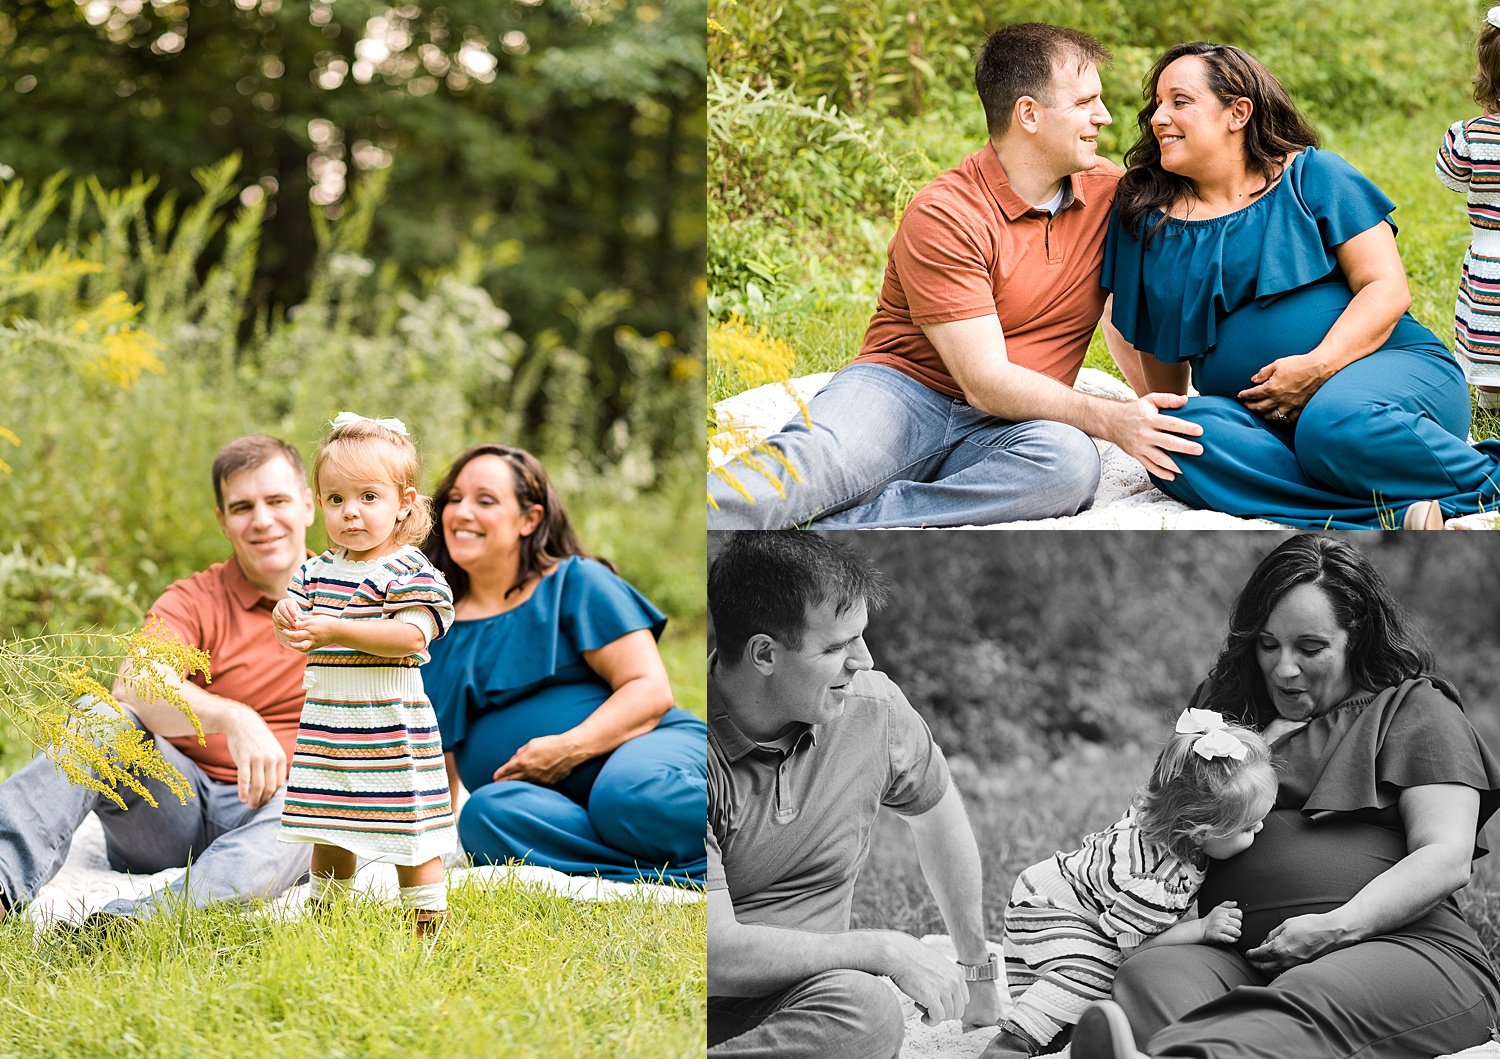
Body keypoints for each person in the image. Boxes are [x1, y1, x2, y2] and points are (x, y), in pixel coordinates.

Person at [707, 23, 1203, 530]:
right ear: (1028, 114)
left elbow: (1128, 314)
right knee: (790, 477)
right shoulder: (946, 213)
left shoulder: (1109, 195)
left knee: (1069, 464)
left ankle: (838, 531)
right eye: (1085, 102)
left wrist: (1160, 411)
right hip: (903, 393)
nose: (1105, 116)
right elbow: (984, 382)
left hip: (1016, 426)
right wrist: (1112, 419)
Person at [1064, 534, 1500, 1059]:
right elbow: (1159, 828)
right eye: (1268, 644)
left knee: (1312, 996)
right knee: (1151, 975)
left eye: (1310, 648)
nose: (1283, 668)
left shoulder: (1415, 711)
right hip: (1232, 954)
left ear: (1355, 636)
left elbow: (1445, 857)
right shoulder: (1222, 716)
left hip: (1399, 948)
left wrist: (1336, 928)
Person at [1103, 41, 1500, 530]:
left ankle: (1488, 477)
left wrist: (1318, 366)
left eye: (1179, 101)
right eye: (1157, 104)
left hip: (1382, 378)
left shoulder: (1313, 177)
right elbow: (1162, 348)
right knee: (1170, 442)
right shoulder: (1149, 220)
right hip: (1261, 421)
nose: (1159, 117)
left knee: (1332, 424)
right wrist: (1169, 416)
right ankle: (1401, 515)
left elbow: (1387, 288)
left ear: (1238, 113)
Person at [707, 532, 1002, 1058]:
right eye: (837, 646)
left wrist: (976, 971)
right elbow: (711, 953)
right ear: (764, 654)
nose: (862, 660)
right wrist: (881, 948)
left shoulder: (873, 709)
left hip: (807, 1001)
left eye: (860, 637)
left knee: (864, 1012)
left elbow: (938, 817)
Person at [0, 435, 316, 922]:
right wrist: (235, 718)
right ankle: (2, 883)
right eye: (242, 506)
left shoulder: (347, 600)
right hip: (169, 808)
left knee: (313, 805)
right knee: (101, 716)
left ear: (308, 507)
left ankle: (138, 925)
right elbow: (135, 682)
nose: (262, 520)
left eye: (277, 501)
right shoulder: (196, 598)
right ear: (223, 521)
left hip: (276, 813)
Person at [419, 444, 706, 885]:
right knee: (486, 816)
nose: (461, 512)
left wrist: (567, 748)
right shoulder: (437, 630)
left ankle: (750, 832)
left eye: (485, 500)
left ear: (529, 519)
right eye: (454, 499)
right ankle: (669, 867)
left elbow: (650, 690)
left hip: (648, 758)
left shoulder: (576, 582)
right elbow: (439, 762)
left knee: (627, 796)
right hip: (551, 807)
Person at [982, 711, 1276, 1058]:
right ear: (1201, 832)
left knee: (1088, 984)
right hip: (1050, 907)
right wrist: (1200, 928)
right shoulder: (1151, 881)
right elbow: (1136, 950)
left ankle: (1062, 1032)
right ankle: (1011, 1045)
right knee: (1092, 972)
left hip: (1082, 904)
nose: (1259, 830)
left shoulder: (1177, 824)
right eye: (1248, 827)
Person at [272, 413, 456, 937]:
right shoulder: (315, 570)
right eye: (335, 499)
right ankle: (326, 916)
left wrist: (337, 629)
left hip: (389, 721)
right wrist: (287, 620)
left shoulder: (412, 572)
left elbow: (412, 636)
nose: (351, 513)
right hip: (330, 720)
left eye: (368, 497)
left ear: (405, 503)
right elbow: (295, 617)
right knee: (328, 825)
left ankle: (426, 924)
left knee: (407, 828)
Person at [1436, 6, 1500, 412]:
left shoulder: (1469, 136)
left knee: (1489, 329)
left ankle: (1489, 399)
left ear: (1482, 68)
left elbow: (1452, 177)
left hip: (1489, 257)